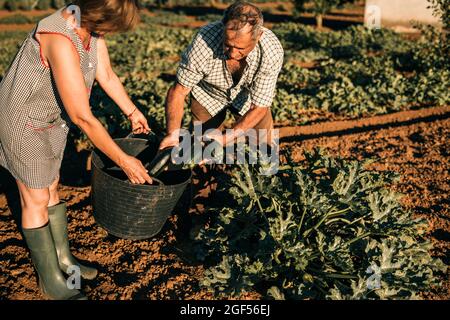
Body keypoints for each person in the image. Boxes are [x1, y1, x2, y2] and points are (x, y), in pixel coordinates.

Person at [0, 0, 152, 300]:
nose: (110, 32)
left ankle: (65, 262)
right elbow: (83, 116)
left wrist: (132, 111)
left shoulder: (91, 29)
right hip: (23, 118)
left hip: (51, 119)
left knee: (52, 188)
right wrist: (123, 160)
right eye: (110, 25)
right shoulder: (58, 38)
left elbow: (105, 75)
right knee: (36, 196)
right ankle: (51, 281)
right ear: (97, 14)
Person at [159, 1, 284, 153]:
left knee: (263, 143)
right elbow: (178, 91)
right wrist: (172, 135)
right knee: (203, 145)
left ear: (258, 36)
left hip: (247, 95)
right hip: (208, 93)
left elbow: (259, 108)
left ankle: (265, 173)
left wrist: (225, 139)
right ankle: (208, 171)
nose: (232, 53)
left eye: (240, 48)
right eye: (228, 44)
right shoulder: (204, 41)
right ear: (222, 27)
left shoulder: (271, 52)